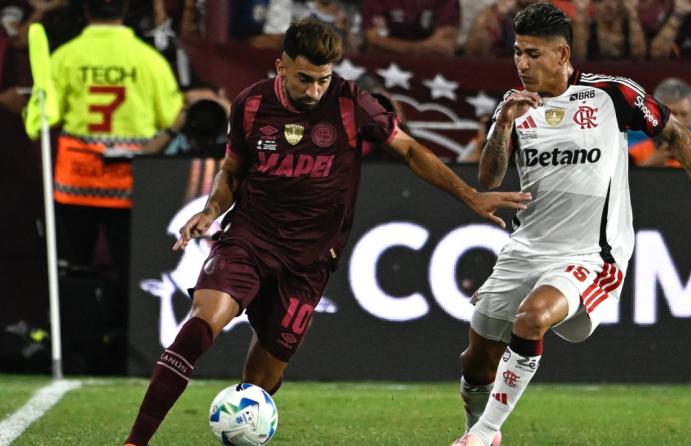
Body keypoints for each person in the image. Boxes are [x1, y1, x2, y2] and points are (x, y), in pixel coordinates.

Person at [122, 18, 530, 446]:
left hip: (308, 264)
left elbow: (408, 149)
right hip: (250, 239)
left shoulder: (352, 104)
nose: (314, 90)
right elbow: (232, 172)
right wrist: (211, 210)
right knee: (202, 324)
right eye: (304, 79)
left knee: (261, 384)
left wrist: (470, 195)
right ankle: (136, 441)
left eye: (323, 79)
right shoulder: (253, 105)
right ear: (280, 66)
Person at [449, 4, 691, 446]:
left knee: (532, 318)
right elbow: (488, 178)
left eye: (535, 54)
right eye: (519, 52)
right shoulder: (515, 107)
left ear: (563, 55)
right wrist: (503, 124)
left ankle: (484, 433)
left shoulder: (611, 95)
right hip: (526, 248)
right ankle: (476, 429)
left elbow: (676, 134)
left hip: (591, 254)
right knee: (476, 364)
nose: (522, 64)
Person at [23, 0, 182, 369]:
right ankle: (127, 347)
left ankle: (75, 345)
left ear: (85, 12)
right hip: (131, 183)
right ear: (126, 12)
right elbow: (170, 115)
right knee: (132, 270)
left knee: (73, 268)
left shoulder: (66, 56)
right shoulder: (148, 59)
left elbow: (44, 117)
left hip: (75, 180)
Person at [362, 0, 461, 56]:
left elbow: (444, 47)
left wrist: (388, 44)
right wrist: (426, 46)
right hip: (383, 69)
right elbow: (373, 43)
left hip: (434, 70)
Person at [571, 0, 647, 61]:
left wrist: (632, 13)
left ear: (621, 3)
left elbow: (640, 57)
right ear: (593, 5)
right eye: (601, 1)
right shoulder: (587, 30)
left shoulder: (630, 26)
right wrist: (580, 13)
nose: (608, 6)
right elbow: (579, 59)